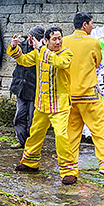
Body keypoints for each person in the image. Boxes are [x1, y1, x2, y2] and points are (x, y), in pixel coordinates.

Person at [7, 27, 78, 184]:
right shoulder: (39, 52)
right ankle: (30, 163)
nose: (58, 42)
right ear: (47, 41)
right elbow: (23, 60)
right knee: (35, 133)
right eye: (54, 39)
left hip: (59, 105)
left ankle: (69, 171)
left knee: (61, 136)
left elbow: (59, 63)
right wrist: (14, 47)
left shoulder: (66, 53)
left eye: (60, 38)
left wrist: (41, 49)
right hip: (42, 103)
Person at [63, 12, 104, 184]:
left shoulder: (64, 42)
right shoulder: (93, 43)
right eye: (91, 23)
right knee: (100, 130)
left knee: (71, 133)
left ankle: (69, 171)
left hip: (69, 96)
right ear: (84, 25)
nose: (93, 27)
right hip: (89, 95)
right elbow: (97, 62)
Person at [10, 26, 46, 148]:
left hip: (35, 88)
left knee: (33, 119)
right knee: (19, 115)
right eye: (30, 37)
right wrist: (14, 46)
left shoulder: (44, 49)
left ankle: (32, 144)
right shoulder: (22, 46)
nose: (30, 40)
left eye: (33, 38)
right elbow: (18, 57)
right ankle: (21, 141)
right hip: (20, 86)